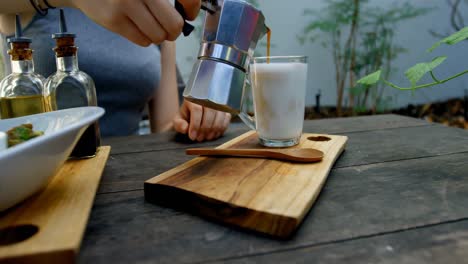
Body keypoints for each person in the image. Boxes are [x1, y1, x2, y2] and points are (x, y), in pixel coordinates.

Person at [0, 0, 231, 141]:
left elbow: (165, 127)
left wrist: (194, 121)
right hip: (45, 178)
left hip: (124, 178)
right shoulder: (30, 7)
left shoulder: (156, 17)